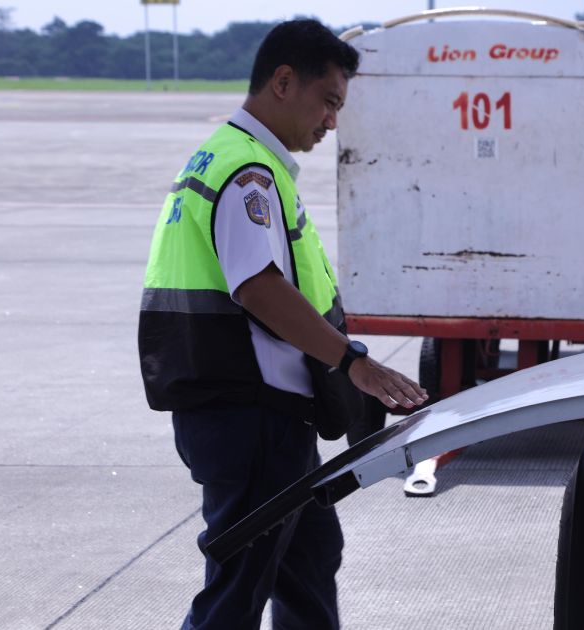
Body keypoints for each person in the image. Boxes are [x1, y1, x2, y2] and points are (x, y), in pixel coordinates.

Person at [137, 19, 427, 630]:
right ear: (283, 81)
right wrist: (354, 363)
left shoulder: (224, 155)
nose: (331, 121)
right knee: (237, 592)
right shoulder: (250, 176)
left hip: (256, 417)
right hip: (251, 418)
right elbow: (260, 288)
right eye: (328, 102)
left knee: (310, 556)